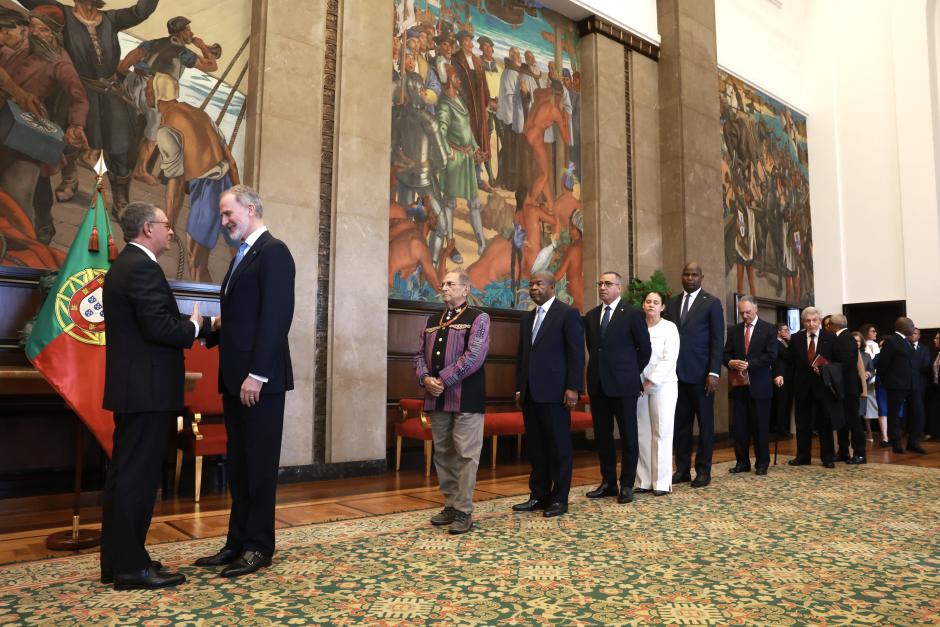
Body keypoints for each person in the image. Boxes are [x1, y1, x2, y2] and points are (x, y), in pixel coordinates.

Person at [101, 202, 205, 590]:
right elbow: (162, 328)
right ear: (147, 228)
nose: (171, 232)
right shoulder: (141, 267)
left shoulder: (126, 265)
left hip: (136, 390)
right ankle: (131, 568)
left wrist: (196, 325)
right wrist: (194, 326)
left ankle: (119, 560)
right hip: (147, 391)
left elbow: (153, 320)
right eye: (166, 225)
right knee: (138, 479)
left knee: (125, 475)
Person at [195, 185, 296, 577]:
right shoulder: (241, 256)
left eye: (227, 214)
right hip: (235, 380)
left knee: (259, 466)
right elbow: (241, 319)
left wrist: (257, 374)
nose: (223, 223)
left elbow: (275, 319)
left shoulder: (274, 253)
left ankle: (258, 546)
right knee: (239, 466)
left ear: (250, 209)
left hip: (260, 382)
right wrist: (208, 330)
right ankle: (236, 543)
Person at [414, 269, 490, 534]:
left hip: (466, 397)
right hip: (436, 398)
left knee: (466, 455)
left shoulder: (478, 318)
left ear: (465, 289)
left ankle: (463, 510)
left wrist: (442, 380)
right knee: (444, 453)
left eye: (450, 283)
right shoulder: (431, 319)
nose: (444, 287)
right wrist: (425, 379)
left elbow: (474, 356)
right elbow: (418, 356)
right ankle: (450, 503)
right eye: (443, 283)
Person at [148, 72, 240, 282]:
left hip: (207, 190)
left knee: (195, 262)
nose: (145, 93)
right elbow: (231, 162)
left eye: (148, 89)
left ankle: (208, 315)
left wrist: (168, 222)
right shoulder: (201, 114)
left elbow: (176, 181)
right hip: (228, 186)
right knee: (240, 258)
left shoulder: (167, 128)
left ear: (157, 94)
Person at [512, 271, 584, 518]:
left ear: (552, 287)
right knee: (537, 448)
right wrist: (520, 388)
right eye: (531, 284)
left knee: (558, 447)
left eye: (538, 284)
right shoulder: (527, 318)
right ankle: (538, 495)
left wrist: (574, 387)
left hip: (556, 393)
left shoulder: (568, 314)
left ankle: (559, 498)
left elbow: (576, 354)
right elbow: (523, 356)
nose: (533, 288)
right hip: (531, 393)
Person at [583, 272, 651, 504]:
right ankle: (608, 482)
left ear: (619, 288)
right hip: (598, 385)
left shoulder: (632, 314)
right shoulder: (591, 316)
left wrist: (631, 372)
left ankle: (627, 484)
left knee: (628, 436)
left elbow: (645, 349)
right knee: (603, 437)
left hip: (624, 385)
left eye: (608, 284)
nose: (602, 287)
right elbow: (594, 348)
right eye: (600, 283)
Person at [664, 262, 724, 488]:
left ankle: (703, 471)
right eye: (686, 274)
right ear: (681, 276)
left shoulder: (712, 303)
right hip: (676, 376)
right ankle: (682, 469)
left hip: (703, 376)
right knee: (681, 425)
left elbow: (718, 340)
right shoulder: (671, 304)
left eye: (694, 275)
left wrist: (714, 372)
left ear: (701, 277)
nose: (690, 278)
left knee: (705, 425)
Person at [775, 306, 839, 467]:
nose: (811, 324)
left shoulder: (830, 338)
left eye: (814, 320)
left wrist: (826, 369)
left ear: (820, 320)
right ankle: (803, 456)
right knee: (802, 422)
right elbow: (787, 359)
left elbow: (838, 363)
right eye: (808, 321)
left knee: (825, 422)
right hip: (802, 386)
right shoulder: (796, 338)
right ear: (803, 322)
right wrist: (779, 372)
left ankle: (828, 457)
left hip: (823, 386)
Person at [723, 296, 778, 475]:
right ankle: (742, 462)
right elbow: (725, 354)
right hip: (739, 385)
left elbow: (771, 355)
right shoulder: (734, 330)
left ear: (756, 310)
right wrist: (730, 362)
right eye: (742, 313)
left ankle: (762, 463)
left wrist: (750, 364)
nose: (745, 316)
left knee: (760, 426)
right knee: (740, 426)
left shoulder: (769, 329)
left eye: (748, 312)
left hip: (760, 385)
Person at [635, 290, 678, 495]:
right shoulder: (637, 326)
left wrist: (651, 381)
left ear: (662, 307)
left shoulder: (670, 328)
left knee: (661, 432)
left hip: (664, 385)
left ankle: (661, 482)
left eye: (656, 302)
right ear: (643, 305)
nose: (651, 305)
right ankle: (643, 480)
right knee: (642, 433)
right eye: (648, 301)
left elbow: (670, 358)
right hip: (639, 386)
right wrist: (639, 381)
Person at [878, 317, 925, 455]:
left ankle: (913, 442)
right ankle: (896, 444)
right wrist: (888, 382)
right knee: (894, 415)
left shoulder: (907, 341)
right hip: (896, 386)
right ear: (904, 327)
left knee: (918, 413)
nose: (913, 327)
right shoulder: (892, 341)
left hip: (913, 385)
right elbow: (882, 365)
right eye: (912, 325)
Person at [829, 314, 867, 464]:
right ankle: (843, 451)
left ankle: (860, 453)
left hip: (848, 388)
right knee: (842, 421)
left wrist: (827, 367)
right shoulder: (848, 337)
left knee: (853, 421)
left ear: (832, 325)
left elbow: (844, 363)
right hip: (846, 387)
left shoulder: (843, 339)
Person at [771, 322, 793, 435]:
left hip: (788, 377)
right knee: (782, 403)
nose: (787, 332)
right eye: (785, 330)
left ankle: (783, 426)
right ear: (779, 331)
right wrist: (790, 341)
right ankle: (780, 427)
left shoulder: (784, 342)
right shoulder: (776, 343)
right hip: (781, 377)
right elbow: (787, 356)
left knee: (785, 403)